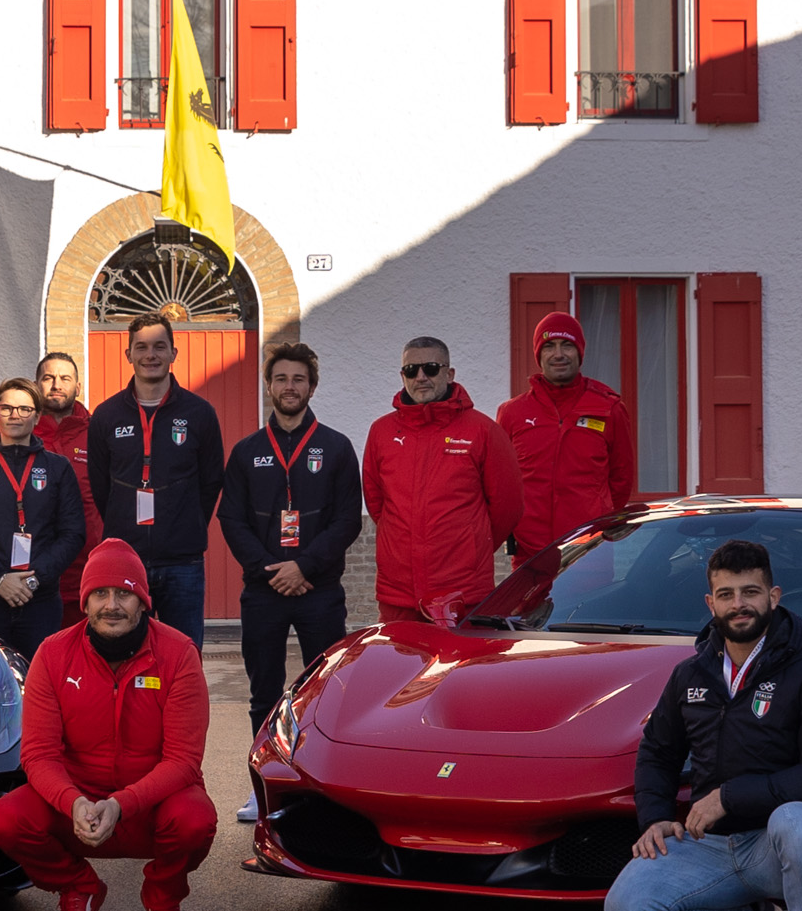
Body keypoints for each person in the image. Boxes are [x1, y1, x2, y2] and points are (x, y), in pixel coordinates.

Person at [600, 539, 802, 911]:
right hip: (709, 847)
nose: (738, 605)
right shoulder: (690, 674)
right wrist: (654, 816)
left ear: (774, 597)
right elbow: (657, 751)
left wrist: (729, 797)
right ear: (710, 602)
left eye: (750, 592)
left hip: (772, 847)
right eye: (726, 594)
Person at [0, 542, 216, 911]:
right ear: (85, 602)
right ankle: (78, 889)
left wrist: (121, 804)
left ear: (143, 601)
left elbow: (183, 760)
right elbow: (38, 753)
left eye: (124, 593)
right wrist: (73, 802)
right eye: (100, 594)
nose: (112, 605)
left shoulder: (179, 654)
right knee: (7, 817)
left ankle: (163, 899)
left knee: (195, 820)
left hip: (150, 806)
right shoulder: (53, 654)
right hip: (77, 808)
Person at [219, 343, 362, 743]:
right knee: (264, 693)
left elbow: (348, 520)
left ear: (312, 388)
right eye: (281, 378)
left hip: (320, 590)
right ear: (268, 385)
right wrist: (271, 570)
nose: (289, 386)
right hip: (264, 592)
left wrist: (304, 566)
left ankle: (323, 774)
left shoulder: (336, 448)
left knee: (327, 689)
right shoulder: (247, 452)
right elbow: (231, 518)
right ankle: (263, 778)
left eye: (299, 379)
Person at [84, 312, 227, 647]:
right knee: (126, 652)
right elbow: (100, 484)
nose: (151, 355)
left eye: (160, 347)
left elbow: (210, 482)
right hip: (125, 560)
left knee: (184, 653)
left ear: (173, 353)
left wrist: (183, 522)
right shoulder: (106, 415)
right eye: (142, 347)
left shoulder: (199, 413)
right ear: (129, 355)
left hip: (183, 561)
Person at [362, 339, 522, 627]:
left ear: (449, 374)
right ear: (402, 377)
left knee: (460, 672)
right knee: (400, 670)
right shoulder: (381, 432)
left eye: (431, 368)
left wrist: (471, 546)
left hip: (461, 593)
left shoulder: (483, 430)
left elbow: (507, 507)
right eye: (411, 370)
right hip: (399, 595)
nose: (421, 377)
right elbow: (377, 503)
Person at [0, 375, 89, 655]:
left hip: (40, 601)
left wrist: (33, 580)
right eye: (6, 408)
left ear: (37, 417)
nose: (15, 415)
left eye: (24, 409)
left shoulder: (58, 468)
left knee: (38, 684)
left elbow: (73, 533)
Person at [497, 309, 634, 562]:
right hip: (530, 553)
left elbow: (621, 478)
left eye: (567, 345)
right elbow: (501, 481)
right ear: (539, 354)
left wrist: (597, 519)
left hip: (590, 551)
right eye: (549, 346)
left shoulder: (609, 409)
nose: (558, 354)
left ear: (580, 352)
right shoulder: (511, 413)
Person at [30, 350, 93, 500]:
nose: (56, 385)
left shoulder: (98, 432)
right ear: (35, 387)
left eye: (65, 379)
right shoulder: (19, 433)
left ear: (78, 388)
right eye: (48, 378)